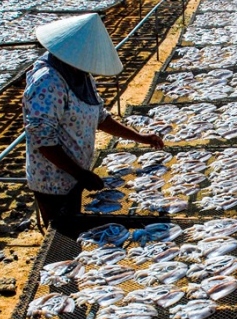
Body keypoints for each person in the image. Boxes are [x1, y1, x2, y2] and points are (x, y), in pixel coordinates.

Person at [23, 13, 164, 225]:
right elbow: (42, 141)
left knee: (76, 223)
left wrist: (141, 137)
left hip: (74, 175)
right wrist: (81, 174)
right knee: (62, 229)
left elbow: (100, 117)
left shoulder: (80, 75)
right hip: (52, 180)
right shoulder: (47, 82)